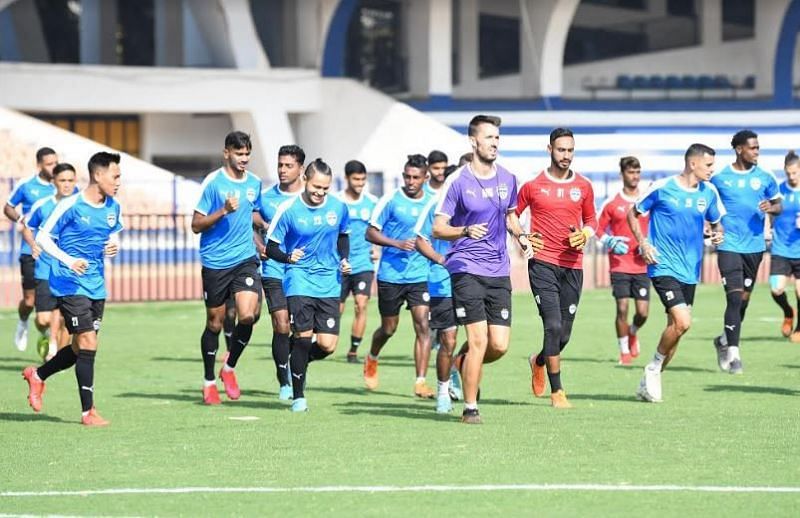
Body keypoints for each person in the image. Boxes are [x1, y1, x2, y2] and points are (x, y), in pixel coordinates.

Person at [433, 115, 534, 424]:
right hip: (466, 268)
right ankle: (470, 408)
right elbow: (438, 228)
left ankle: (460, 362)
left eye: (497, 138)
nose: (494, 143)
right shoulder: (458, 181)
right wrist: (464, 232)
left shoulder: (508, 178)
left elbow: (510, 216)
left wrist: (521, 236)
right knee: (478, 340)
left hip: (499, 270)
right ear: (473, 141)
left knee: (499, 345)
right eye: (489, 137)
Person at [21, 152, 123, 426]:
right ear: (98, 175)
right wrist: (68, 259)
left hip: (96, 285)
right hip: (68, 282)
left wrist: (113, 245)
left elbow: (112, 232)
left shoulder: (114, 206)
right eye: (115, 176)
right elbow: (42, 237)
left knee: (79, 347)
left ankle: (38, 375)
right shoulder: (71, 205)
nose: (118, 182)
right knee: (90, 342)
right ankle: (88, 411)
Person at [628, 143, 725, 403]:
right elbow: (633, 213)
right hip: (662, 265)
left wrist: (717, 235)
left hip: (690, 270)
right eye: (708, 165)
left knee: (676, 330)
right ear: (693, 164)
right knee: (683, 321)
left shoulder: (710, 192)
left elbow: (718, 225)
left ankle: (648, 380)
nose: (712, 170)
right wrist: (643, 242)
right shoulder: (663, 187)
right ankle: (652, 367)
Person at [516, 128, 597, 409]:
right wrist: (522, 236)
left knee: (563, 335)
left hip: (572, 266)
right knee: (552, 325)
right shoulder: (532, 186)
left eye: (570, 150)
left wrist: (585, 235)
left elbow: (592, 221)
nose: (566, 155)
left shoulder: (584, 186)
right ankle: (558, 391)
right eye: (561, 149)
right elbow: (511, 215)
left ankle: (538, 361)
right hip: (542, 264)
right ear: (549, 149)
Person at [266, 159, 350, 412]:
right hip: (299, 279)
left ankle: (298, 362)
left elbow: (343, 235)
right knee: (302, 337)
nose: (320, 193)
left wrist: (344, 258)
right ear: (305, 180)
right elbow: (271, 247)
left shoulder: (338, 207)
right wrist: (287, 257)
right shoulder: (289, 210)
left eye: (325, 188)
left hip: (329, 282)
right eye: (316, 187)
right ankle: (299, 397)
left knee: (327, 344)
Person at [192, 131, 264, 405]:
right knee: (215, 322)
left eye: (247, 154)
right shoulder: (213, 183)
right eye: (239, 153)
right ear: (226, 153)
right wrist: (222, 211)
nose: (244, 159)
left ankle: (229, 366)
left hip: (245, 258)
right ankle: (209, 381)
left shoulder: (254, 183)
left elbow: (253, 212)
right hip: (215, 262)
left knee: (247, 315)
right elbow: (195, 225)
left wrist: (265, 226)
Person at [710, 130, 781, 374]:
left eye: (758, 148)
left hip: (755, 247)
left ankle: (722, 340)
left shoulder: (765, 176)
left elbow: (779, 204)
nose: (757, 152)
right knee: (733, 296)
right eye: (753, 148)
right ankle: (734, 354)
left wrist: (771, 207)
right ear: (740, 149)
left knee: (743, 302)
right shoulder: (720, 178)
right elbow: (708, 203)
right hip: (729, 245)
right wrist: (713, 227)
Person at [363, 154, 434, 398]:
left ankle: (420, 382)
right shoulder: (390, 200)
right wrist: (396, 243)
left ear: (426, 178)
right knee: (388, 328)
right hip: (390, 275)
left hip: (419, 275)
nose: (410, 181)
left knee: (423, 326)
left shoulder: (434, 202)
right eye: (407, 176)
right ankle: (372, 357)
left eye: (416, 177)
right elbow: (370, 232)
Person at [258, 145, 305, 400]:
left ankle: (297, 373)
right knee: (281, 325)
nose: (282, 170)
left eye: (288, 166)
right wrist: (261, 247)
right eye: (280, 165)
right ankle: (283, 378)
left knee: (302, 331)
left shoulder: (308, 199)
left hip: (301, 272)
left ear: (300, 169)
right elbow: (252, 225)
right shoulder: (265, 198)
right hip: (274, 268)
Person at [415, 165, 462, 413]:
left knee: (488, 341)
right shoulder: (435, 206)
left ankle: (460, 364)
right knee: (449, 339)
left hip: (476, 282)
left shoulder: (479, 205)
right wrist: (441, 260)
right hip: (443, 284)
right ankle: (444, 390)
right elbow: (420, 240)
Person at [596, 156, 650, 365]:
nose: (635, 176)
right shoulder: (612, 203)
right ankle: (624, 351)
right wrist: (609, 241)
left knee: (643, 313)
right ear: (622, 175)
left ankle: (633, 331)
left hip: (642, 265)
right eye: (630, 172)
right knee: (622, 308)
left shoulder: (646, 200)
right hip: (619, 264)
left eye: (637, 172)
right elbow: (597, 229)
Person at [21, 163, 78, 360]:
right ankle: (47, 335)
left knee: (63, 317)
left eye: (71, 180)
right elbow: (26, 227)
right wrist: (33, 244)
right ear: (53, 182)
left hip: (69, 270)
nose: (67, 184)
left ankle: (56, 357)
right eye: (63, 180)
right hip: (45, 268)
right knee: (43, 319)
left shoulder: (80, 205)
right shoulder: (42, 205)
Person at [4, 147, 59, 351]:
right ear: (39, 165)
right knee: (29, 300)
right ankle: (23, 321)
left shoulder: (62, 186)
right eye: (49, 164)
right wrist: (20, 218)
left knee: (55, 303)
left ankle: (52, 345)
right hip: (30, 251)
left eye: (55, 162)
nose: (53, 167)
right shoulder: (27, 185)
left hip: (54, 254)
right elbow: (8, 207)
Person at [336, 160, 378, 363]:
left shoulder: (371, 202)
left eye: (363, 179)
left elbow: (378, 230)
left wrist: (377, 249)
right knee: (338, 308)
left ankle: (353, 350)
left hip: (363, 264)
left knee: (361, 304)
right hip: (340, 263)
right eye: (356, 179)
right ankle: (325, 340)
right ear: (346, 179)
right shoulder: (336, 202)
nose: (360, 183)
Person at [768, 150, 800, 341]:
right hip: (781, 249)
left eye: (795, 173)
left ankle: (799, 329)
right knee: (776, 289)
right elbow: (770, 212)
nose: (791, 176)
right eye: (788, 173)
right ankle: (788, 312)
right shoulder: (779, 192)